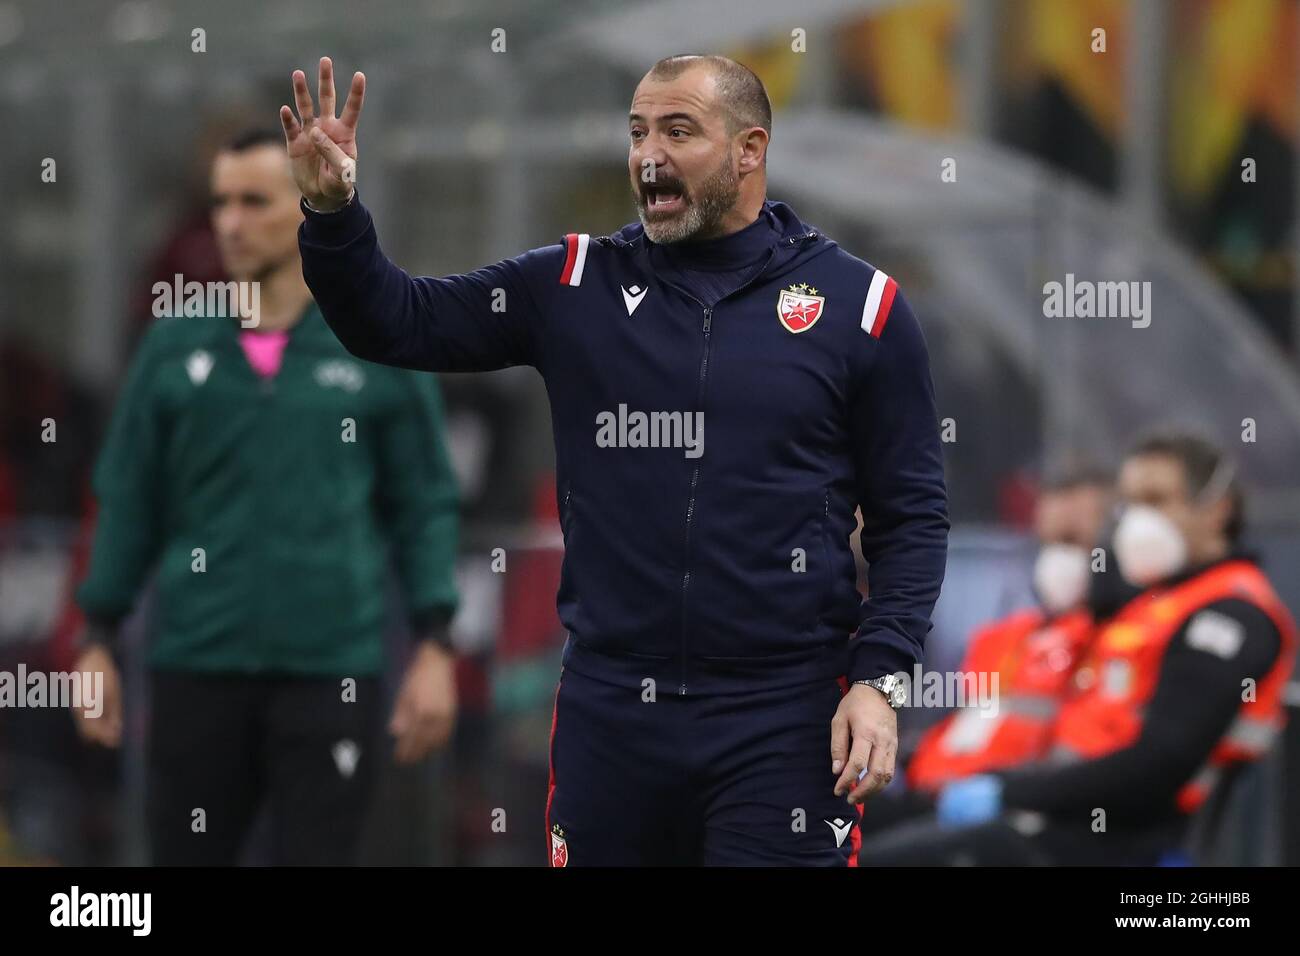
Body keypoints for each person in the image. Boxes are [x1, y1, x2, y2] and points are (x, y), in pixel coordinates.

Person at [284, 53, 949, 866]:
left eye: (678, 131)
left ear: (749, 149)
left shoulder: (862, 307)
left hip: (783, 711)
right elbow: (397, 321)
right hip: (614, 708)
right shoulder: (573, 282)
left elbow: (910, 518)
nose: (648, 156)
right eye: (637, 132)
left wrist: (881, 684)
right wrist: (332, 213)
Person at [72, 128, 462, 866]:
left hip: (333, 673)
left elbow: (426, 501)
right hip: (195, 667)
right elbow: (127, 500)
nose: (231, 221)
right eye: (220, 203)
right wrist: (95, 638)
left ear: (307, 207)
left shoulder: (376, 338)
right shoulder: (173, 344)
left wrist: (436, 645)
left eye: (255, 201)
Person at [862, 430, 1296, 865]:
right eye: (1132, 503)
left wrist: (1010, 790)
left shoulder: (1228, 615)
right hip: (1057, 815)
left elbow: (1160, 763)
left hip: (1116, 840)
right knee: (843, 829)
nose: (1140, 520)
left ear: (1218, 510)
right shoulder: (1151, 607)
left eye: (1158, 499)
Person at [906, 466, 1111, 793]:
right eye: (1051, 543)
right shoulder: (998, 639)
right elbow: (953, 724)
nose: (1060, 560)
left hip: (1026, 806)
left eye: (1074, 543)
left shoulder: (1115, 641)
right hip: (941, 790)